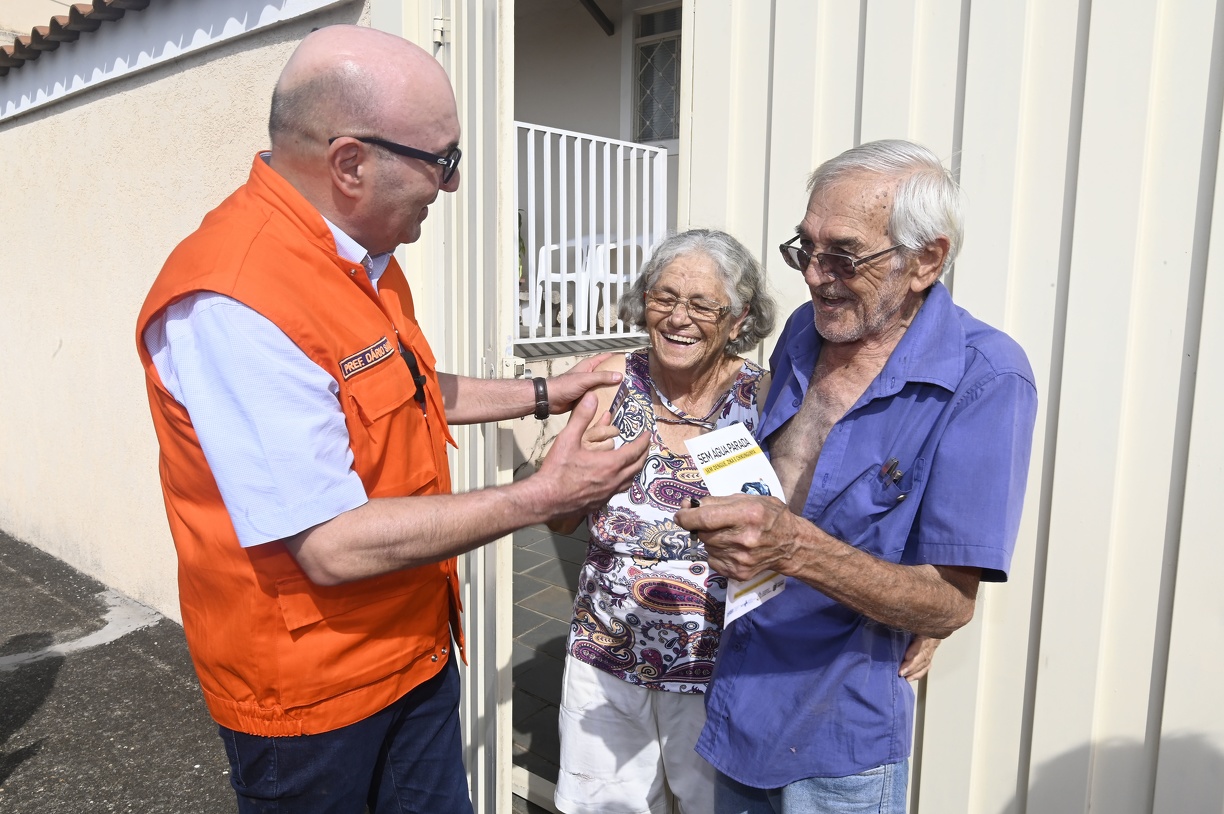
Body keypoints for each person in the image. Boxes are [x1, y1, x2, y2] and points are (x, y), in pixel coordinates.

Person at [134, 25, 648, 814]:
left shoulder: (357, 257)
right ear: (350, 163)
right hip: (311, 701)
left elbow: (407, 388)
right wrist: (546, 494)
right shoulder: (235, 302)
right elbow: (330, 545)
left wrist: (552, 389)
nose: (450, 187)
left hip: (410, 652)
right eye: (441, 161)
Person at [676, 140, 1039, 813]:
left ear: (926, 259)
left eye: (843, 255)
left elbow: (951, 603)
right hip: (739, 696)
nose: (814, 276)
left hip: (836, 739)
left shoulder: (986, 378)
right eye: (804, 249)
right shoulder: (802, 334)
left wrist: (795, 548)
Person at [548, 229, 774, 814]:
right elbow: (561, 521)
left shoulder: (765, 401)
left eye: (702, 304)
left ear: (739, 315)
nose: (679, 318)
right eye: (663, 297)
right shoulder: (605, 382)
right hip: (605, 655)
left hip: (718, 669)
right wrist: (573, 476)